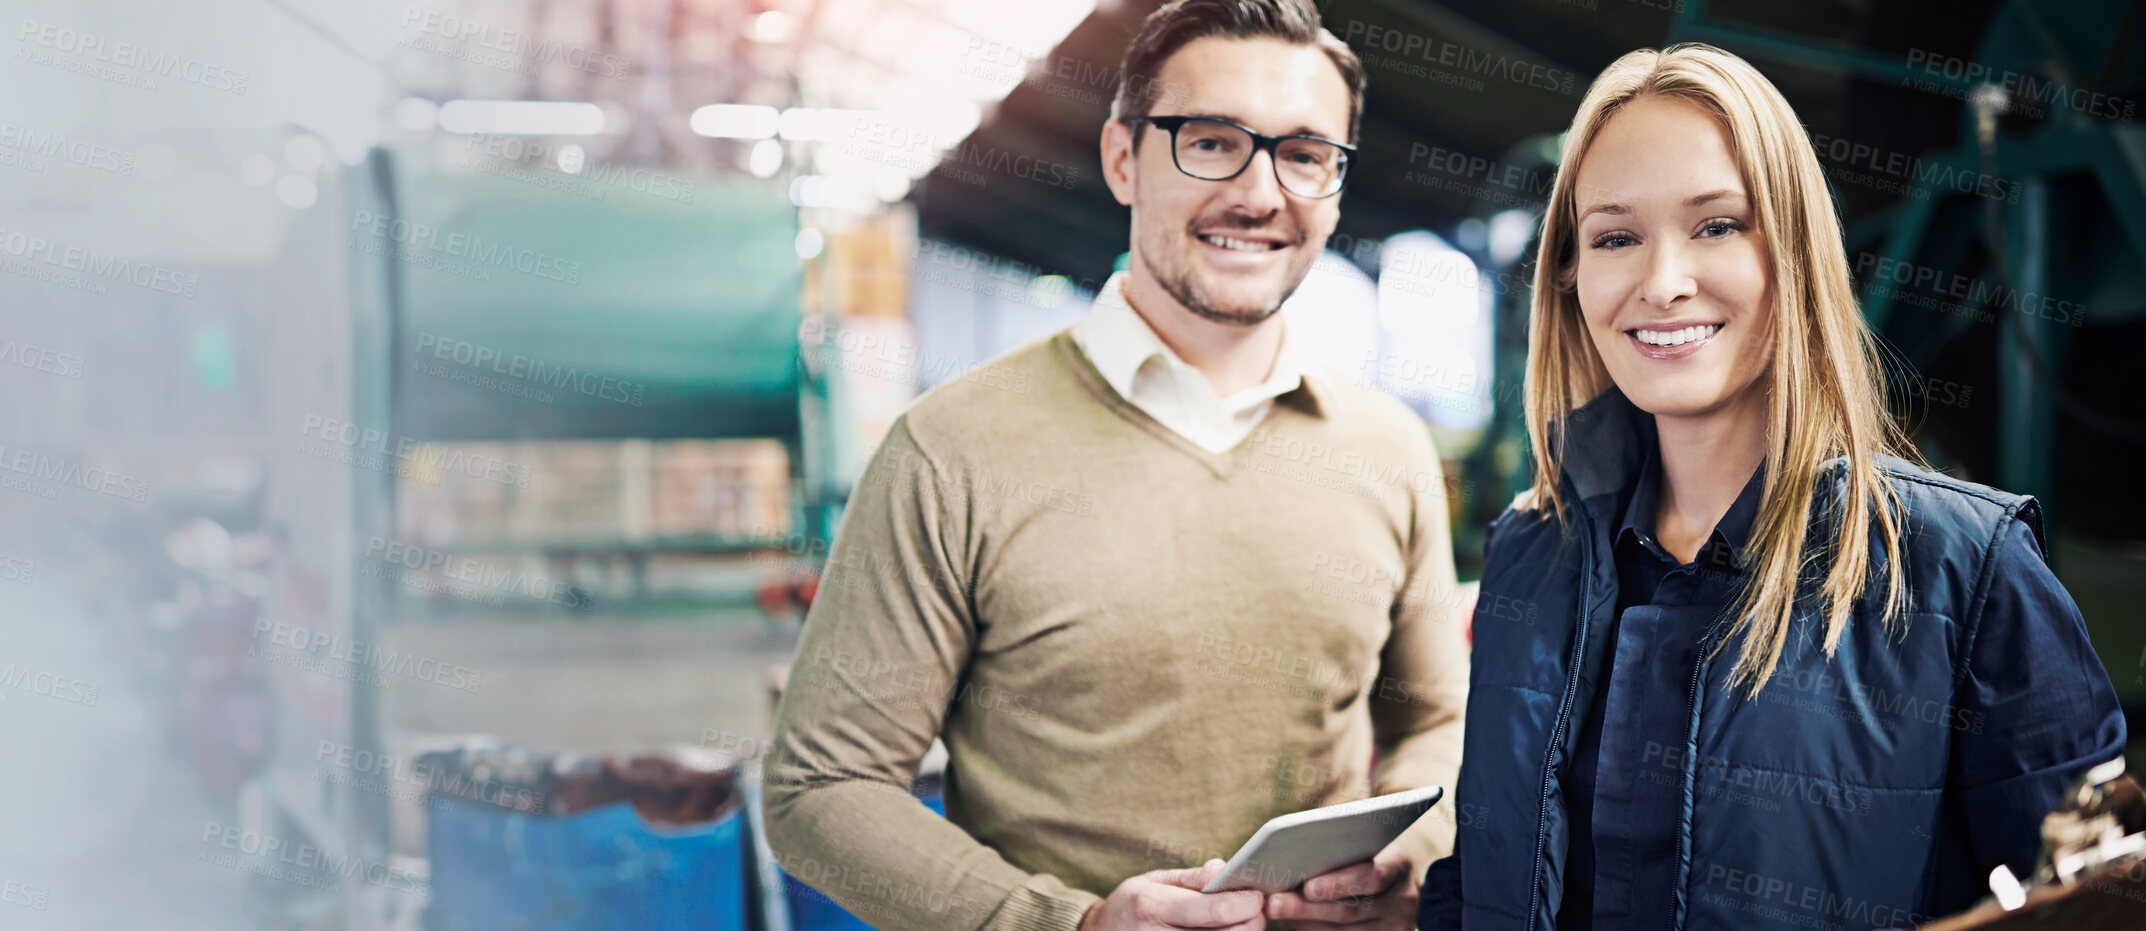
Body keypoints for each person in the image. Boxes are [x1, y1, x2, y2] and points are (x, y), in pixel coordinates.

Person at [764, 3, 1470, 931]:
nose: (1261, 193)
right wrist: (1070, 923)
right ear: (1122, 159)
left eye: (1304, 155)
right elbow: (821, 784)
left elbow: (1439, 724)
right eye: (1212, 142)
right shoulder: (951, 450)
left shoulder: (1387, 446)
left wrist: (1409, 857)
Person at [1416, 43, 2128, 931]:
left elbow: (2090, 907)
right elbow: (1479, 880)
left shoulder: (1962, 569)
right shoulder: (1531, 552)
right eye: (1615, 237)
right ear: (1570, 273)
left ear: (1792, 250)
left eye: (1716, 225)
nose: (1663, 283)